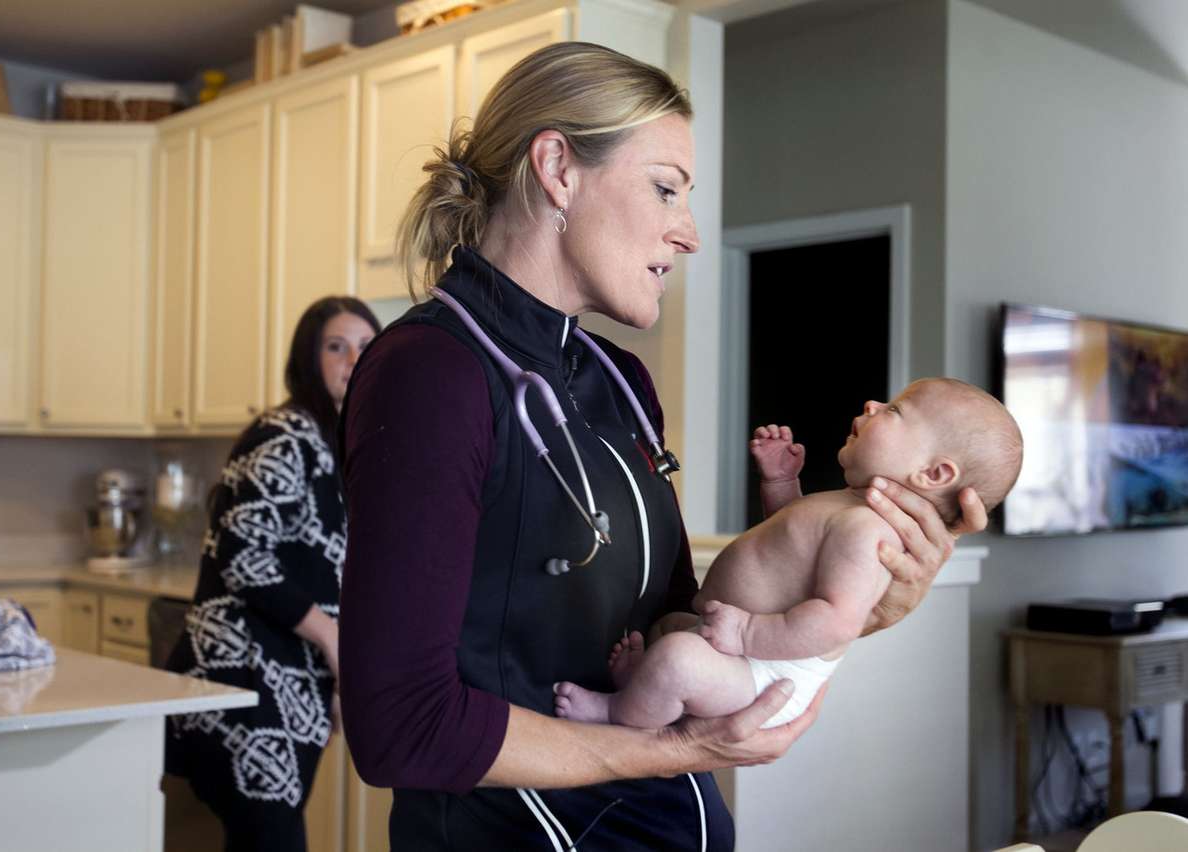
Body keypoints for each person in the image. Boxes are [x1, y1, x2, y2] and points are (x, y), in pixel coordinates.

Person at [337, 42, 988, 852]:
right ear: (558, 169)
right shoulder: (429, 372)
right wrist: (669, 749)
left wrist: (871, 593)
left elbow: (685, 620)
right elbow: (401, 726)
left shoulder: (621, 382)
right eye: (665, 189)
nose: (689, 234)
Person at [554, 378, 1023, 729]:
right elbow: (790, 543)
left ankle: (618, 712)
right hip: (742, 644)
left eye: (897, 410)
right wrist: (780, 484)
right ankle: (645, 687)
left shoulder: (869, 531)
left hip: (768, 667)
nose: (873, 404)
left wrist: (750, 632)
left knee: (678, 657)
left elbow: (837, 620)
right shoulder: (848, 505)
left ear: (934, 474)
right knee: (669, 632)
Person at [164, 296, 380, 852]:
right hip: (242, 682)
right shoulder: (284, 435)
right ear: (309, 359)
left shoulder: (340, 444)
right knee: (272, 841)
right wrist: (334, 643)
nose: (353, 359)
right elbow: (244, 556)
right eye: (336, 347)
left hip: (288, 685)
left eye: (365, 346)